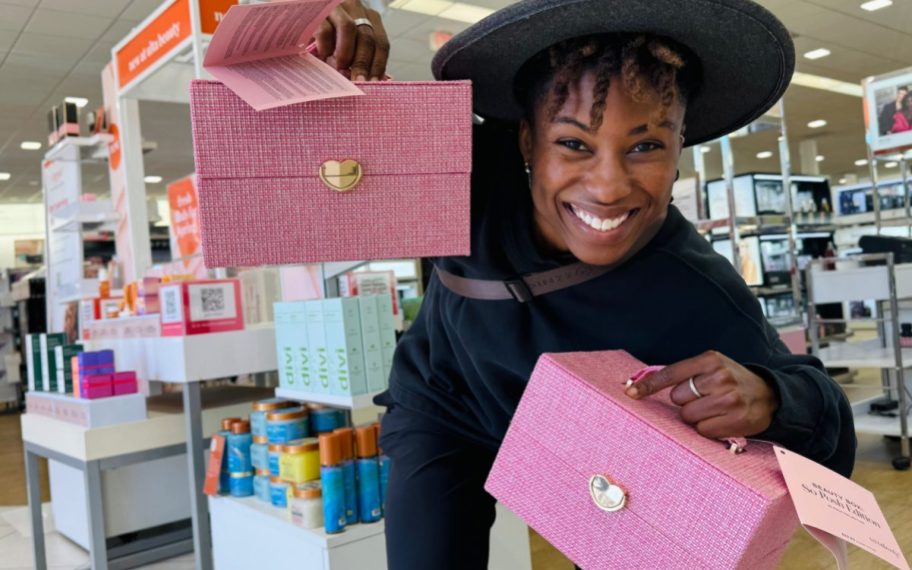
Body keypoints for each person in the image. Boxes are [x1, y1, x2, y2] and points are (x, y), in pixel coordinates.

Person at [313, 0, 855, 568]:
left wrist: (771, 396)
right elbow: (326, 131)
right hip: (446, 405)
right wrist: (322, 33)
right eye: (573, 144)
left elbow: (833, 436)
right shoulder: (463, 172)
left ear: (679, 151)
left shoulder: (692, 287)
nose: (607, 186)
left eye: (646, 146)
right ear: (527, 142)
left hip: (592, 446)